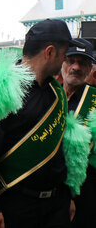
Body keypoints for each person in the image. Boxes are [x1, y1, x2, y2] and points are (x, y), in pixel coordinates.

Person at [0, 19, 82, 228]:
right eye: (64, 55)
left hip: (56, 206)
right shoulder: (3, 89)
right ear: (49, 52)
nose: (64, 62)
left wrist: (66, 195)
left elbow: (60, 148)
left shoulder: (55, 91)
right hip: (15, 206)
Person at [61, 38, 96, 228]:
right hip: (49, 195)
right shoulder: (49, 95)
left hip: (85, 196)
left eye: (83, 63)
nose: (76, 67)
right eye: (71, 60)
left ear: (91, 68)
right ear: (61, 62)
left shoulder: (94, 100)